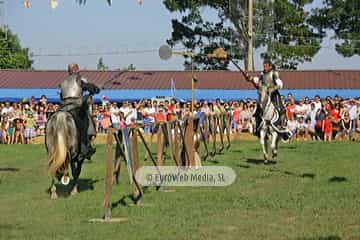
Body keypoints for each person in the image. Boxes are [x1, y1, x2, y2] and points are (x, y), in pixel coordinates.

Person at [59, 63, 100, 160]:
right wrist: (96, 89)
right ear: (77, 70)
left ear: (68, 71)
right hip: (76, 105)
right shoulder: (79, 79)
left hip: (63, 107)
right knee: (87, 118)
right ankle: (86, 144)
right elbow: (89, 87)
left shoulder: (63, 82)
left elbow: (61, 96)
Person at [246, 59, 286, 136]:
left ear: (270, 66)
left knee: (281, 109)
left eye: (266, 66)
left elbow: (280, 84)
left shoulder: (274, 73)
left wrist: (273, 88)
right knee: (258, 110)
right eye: (264, 66)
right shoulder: (262, 74)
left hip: (274, 94)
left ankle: (282, 125)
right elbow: (258, 81)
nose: (265, 68)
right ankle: (258, 128)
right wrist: (250, 78)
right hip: (264, 94)